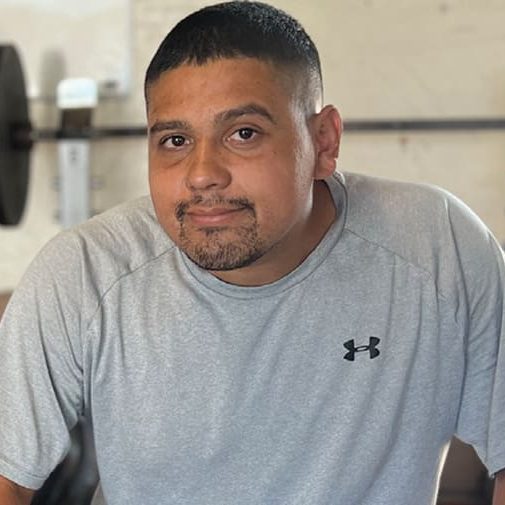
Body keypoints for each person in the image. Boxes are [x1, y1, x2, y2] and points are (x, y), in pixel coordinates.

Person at [0, 2, 504, 504]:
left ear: (323, 141)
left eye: (243, 134)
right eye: (174, 140)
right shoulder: (85, 273)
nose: (202, 174)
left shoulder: (438, 248)